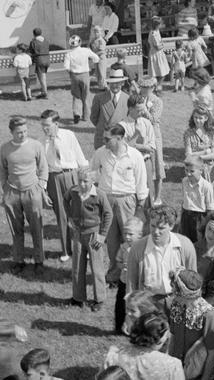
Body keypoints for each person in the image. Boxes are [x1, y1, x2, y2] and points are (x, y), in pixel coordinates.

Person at [91, 123, 148, 282]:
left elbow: (141, 182)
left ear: (120, 138)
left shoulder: (135, 156)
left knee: (130, 237)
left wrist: (140, 207)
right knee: (111, 240)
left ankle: (134, 274)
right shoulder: (100, 153)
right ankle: (114, 275)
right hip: (106, 200)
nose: (104, 141)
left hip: (127, 200)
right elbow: (93, 174)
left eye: (107, 139)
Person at [0, 116, 49, 276]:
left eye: (25, 131)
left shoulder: (36, 145)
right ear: (11, 132)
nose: (23, 134)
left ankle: (39, 260)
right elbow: (2, 169)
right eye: (19, 132)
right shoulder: (5, 148)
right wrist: (5, 187)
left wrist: (41, 186)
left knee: (36, 227)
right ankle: (19, 260)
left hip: (32, 191)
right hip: (12, 192)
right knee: (16, 229)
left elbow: (43, 167)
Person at [126, 205, 197, 312]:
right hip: (149, 303)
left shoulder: (185, 246)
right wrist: (130, 312)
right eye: (153, 226)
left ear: (172, 226)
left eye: (161, 228)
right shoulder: (137, 249)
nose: (156, 232)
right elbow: (131, 283)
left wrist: (193, 307)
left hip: (178, 301)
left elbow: (193, 280)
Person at [40, 109, 88, 262]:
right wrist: (44, 189)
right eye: (43, 125)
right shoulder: (43, 143)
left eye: (47, 125)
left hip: (71, 175)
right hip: (54, 179)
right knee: (61, 215)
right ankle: (66, 250)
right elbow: (43, 168)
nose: (45, 128)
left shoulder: (68, 135)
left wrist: (85, 179)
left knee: (79, 212)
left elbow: (79, 156)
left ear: (56, 123)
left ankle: (84, 248)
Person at [63, 167, 112, 312]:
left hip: (93, 235)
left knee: (97, 268)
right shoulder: (73, 191)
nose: (82, 184)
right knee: (77, 266)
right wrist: (70, 217)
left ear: (93, 181)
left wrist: (102, 235)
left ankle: (99, 299)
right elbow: (65, 201)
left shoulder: (99, 195)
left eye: (86, 181)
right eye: (80, 181)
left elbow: (108, 214)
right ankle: (78, 298)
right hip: (78, 234)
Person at [168, 269, 214, 379]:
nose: (172, 291)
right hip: (177, 370)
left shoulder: (209, 315)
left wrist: (205, 378)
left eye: (174, 288)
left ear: (182, 293)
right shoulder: (176, 305)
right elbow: (173, 337)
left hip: (197, 373)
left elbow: (213, 353)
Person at [104, 312, 185, 380]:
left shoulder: (113, 356)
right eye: (166, 334)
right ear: (159, 338)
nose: (168, 336)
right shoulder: (172, 365)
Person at [114, 217, 144, 334]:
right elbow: (118, 261)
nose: (127, 237)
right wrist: (122, 266)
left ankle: (135, 328)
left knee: (135, 306)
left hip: (136, 283)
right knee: (120, 305)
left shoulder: (142, 248)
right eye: (125, 233)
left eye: (130, 234)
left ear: (139, 235)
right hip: (124, 281)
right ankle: (118, 326)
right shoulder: (123, 247)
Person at [139, 77, 166, 205]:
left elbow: (154, 119)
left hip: (154, 135)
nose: (143, 90)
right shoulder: (138, 98)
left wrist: (144, 109)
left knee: (157, 165)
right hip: (140, 134)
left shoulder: (157, 101)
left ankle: (157, 197)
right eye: (142, 87)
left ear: (153, 88)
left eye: (146, 88)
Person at [63, 35, 99, 124]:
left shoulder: (69, 54)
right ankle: (86, 116)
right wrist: (92, 68)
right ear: (80, 42)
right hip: (85, 74)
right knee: (86, 96)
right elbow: (96, 58)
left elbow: (66, 67)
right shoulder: (86, 51)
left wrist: (71, 74)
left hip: (75, 75)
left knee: (76, 96)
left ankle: (76, 113)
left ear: (70, 44)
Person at [179, 156, 214, 243]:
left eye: (192, 171)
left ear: (201, 171)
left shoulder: (206, 186)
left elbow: (210, 209)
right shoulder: (184, 181)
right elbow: (184, 200)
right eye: (186, 170)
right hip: (186, 215)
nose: (188, 174)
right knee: (184, 241)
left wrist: (207, 224)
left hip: (199, 218)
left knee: (198, 242)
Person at [184, 106, 214, 182]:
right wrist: (205, 152)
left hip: (210, 169)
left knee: (210, 191)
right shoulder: (188, 133)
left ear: (206, 118)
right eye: (195, 117)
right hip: (194, 170)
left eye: (200, 118)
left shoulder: (212, 133)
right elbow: (188, 155)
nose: (197, 120)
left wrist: (197, 156)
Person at [148, 16, 170, 90]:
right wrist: (163, 45)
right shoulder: (154, 34)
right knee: (160, 73)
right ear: (157, 25)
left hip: (158, 54)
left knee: (161, 72)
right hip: (156, 54)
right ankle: (157, 86)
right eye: (160, 24)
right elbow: (157, 47)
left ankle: (157, 86)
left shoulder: (157, 31)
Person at [28, 27, 50, 98]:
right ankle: (44, 91)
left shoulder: (33, 42)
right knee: (44, 77)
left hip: (39, 60)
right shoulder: (46, 41)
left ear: (34, 34)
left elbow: (31, 51)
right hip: (47, 59)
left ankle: (45, 93)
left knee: (42, 78)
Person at [91, 25, 109, 90]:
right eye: (95, 32)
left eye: (97, 32)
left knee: (102, 73)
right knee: (97, 73)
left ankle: (105, 87)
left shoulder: (101, 41)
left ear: (101, 33)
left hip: (101, 58)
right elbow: (91, 48)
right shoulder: (93, 40)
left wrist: (94, 55)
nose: (96, 33)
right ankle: (100, 87)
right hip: (96, 59)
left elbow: (102, 51)